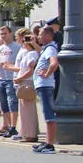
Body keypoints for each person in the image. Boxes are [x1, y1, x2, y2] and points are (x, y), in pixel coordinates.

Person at [33, 25, 60, 153]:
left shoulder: (50, 49)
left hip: (45, 85)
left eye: (40, 34)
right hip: (42, 85)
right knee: (47, 114)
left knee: (49, 115)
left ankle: (50, 145)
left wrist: (46, 74)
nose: (38, 37)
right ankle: (48, 142)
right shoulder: (46, 48)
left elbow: (54, 63)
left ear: (48, 35)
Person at [12, 28, 40, 143]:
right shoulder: (29, 54)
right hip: (24, 81)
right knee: (24, 109)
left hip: (27, 82)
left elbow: (30, 70)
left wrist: (19, 78)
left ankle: (30, 133)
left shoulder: (32, 54)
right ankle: (26, 132)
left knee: (27, 110)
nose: (22, 43)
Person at [0, 26, 21, 136]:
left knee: (12, 102)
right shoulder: (0, 48)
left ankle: (14, 126)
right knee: (4, 104)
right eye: (1, 34)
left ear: (10, 33)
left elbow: (20, 64)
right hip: (1, 78)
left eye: (5, 33)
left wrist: (9, 66)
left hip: (11, 78)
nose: (3, 36)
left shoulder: (16, 47)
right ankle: (10, 127)